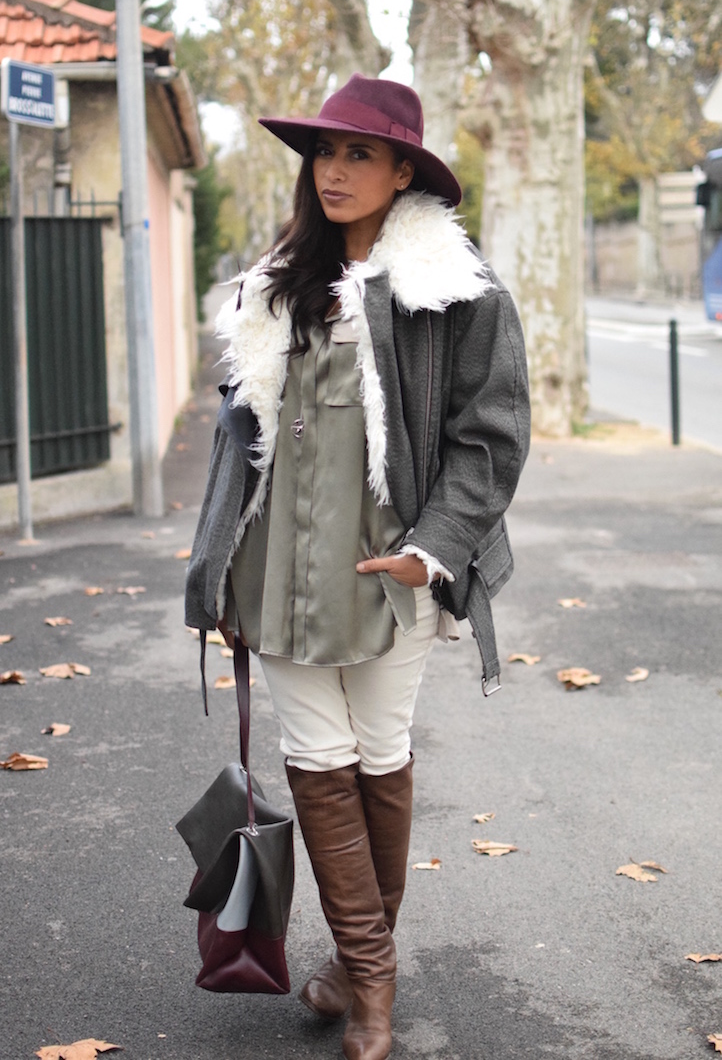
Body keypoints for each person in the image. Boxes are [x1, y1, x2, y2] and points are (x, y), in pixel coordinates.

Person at [185, 73, 530, 1060]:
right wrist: (217, 570)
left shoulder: (453, 294)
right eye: (323, 155)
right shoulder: (271, 289)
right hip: (278, 567)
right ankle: (370, 982)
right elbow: (236, 452)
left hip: (392, 567)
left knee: (378, 755)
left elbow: (489, 438)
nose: (334, 172)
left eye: (359, 155)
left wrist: (434, 552)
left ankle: (349, 965)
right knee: (317, 759)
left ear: (402, 171)